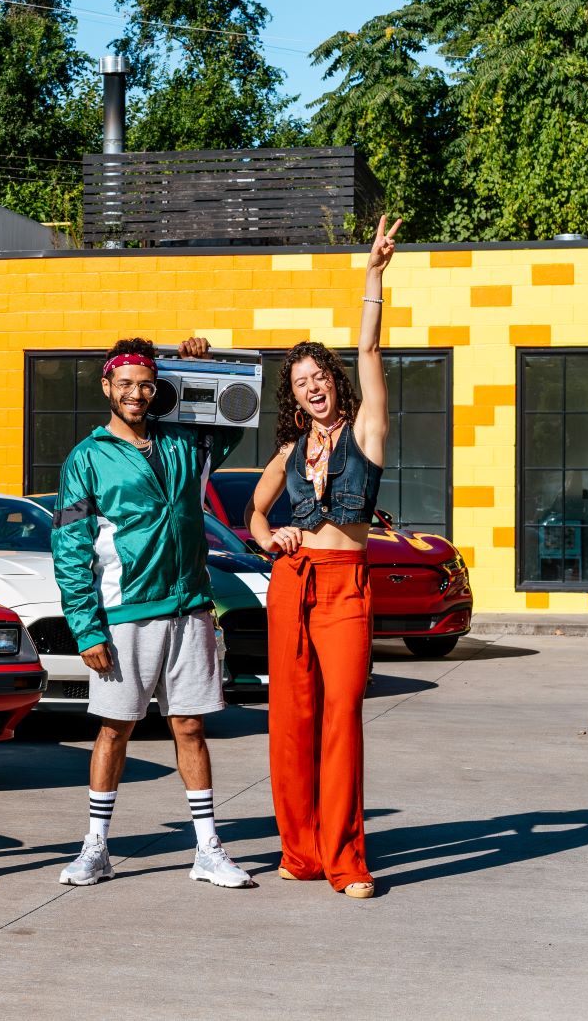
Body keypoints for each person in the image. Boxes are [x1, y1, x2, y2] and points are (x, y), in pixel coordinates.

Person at [50, 336, 256, 890]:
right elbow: (69, 549)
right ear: (107, 387)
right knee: (115, 729)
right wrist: (86, 627)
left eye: (146, 384)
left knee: (190, 726)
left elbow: (236, 419)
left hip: (190, 607)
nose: (137, 394)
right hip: (125, 614)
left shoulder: (185, 444)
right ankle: (95, 847)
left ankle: (209, 849)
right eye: (126, 384)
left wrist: (205, 370)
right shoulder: (86, 458)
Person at [249, 216, 400, 900]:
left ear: (334, 382)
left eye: (320, 375)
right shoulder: (285, 452)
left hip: (343, 588)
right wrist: (267, 537)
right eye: (300, 379)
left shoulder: (365, 430)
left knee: (339, 715)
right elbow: (253, 513)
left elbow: (370, 350)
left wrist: (371, 276)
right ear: (293, 393)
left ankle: (345, 858)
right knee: (292, 717)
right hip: (291, 583)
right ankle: (299, 850)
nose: (313, 385)